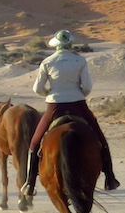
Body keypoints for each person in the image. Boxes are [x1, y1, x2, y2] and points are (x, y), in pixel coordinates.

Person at [25, 30, 120, 193]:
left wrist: (48, 93)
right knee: (99, 137)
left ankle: (30, 182)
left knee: (35, 142)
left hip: (54, 106)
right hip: (78, 104)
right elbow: (87, 87)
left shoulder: (47, 62)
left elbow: (37, 88)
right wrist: (78, 94)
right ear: (70, 43)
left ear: (55, 45)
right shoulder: (79, 60)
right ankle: (110, 177)